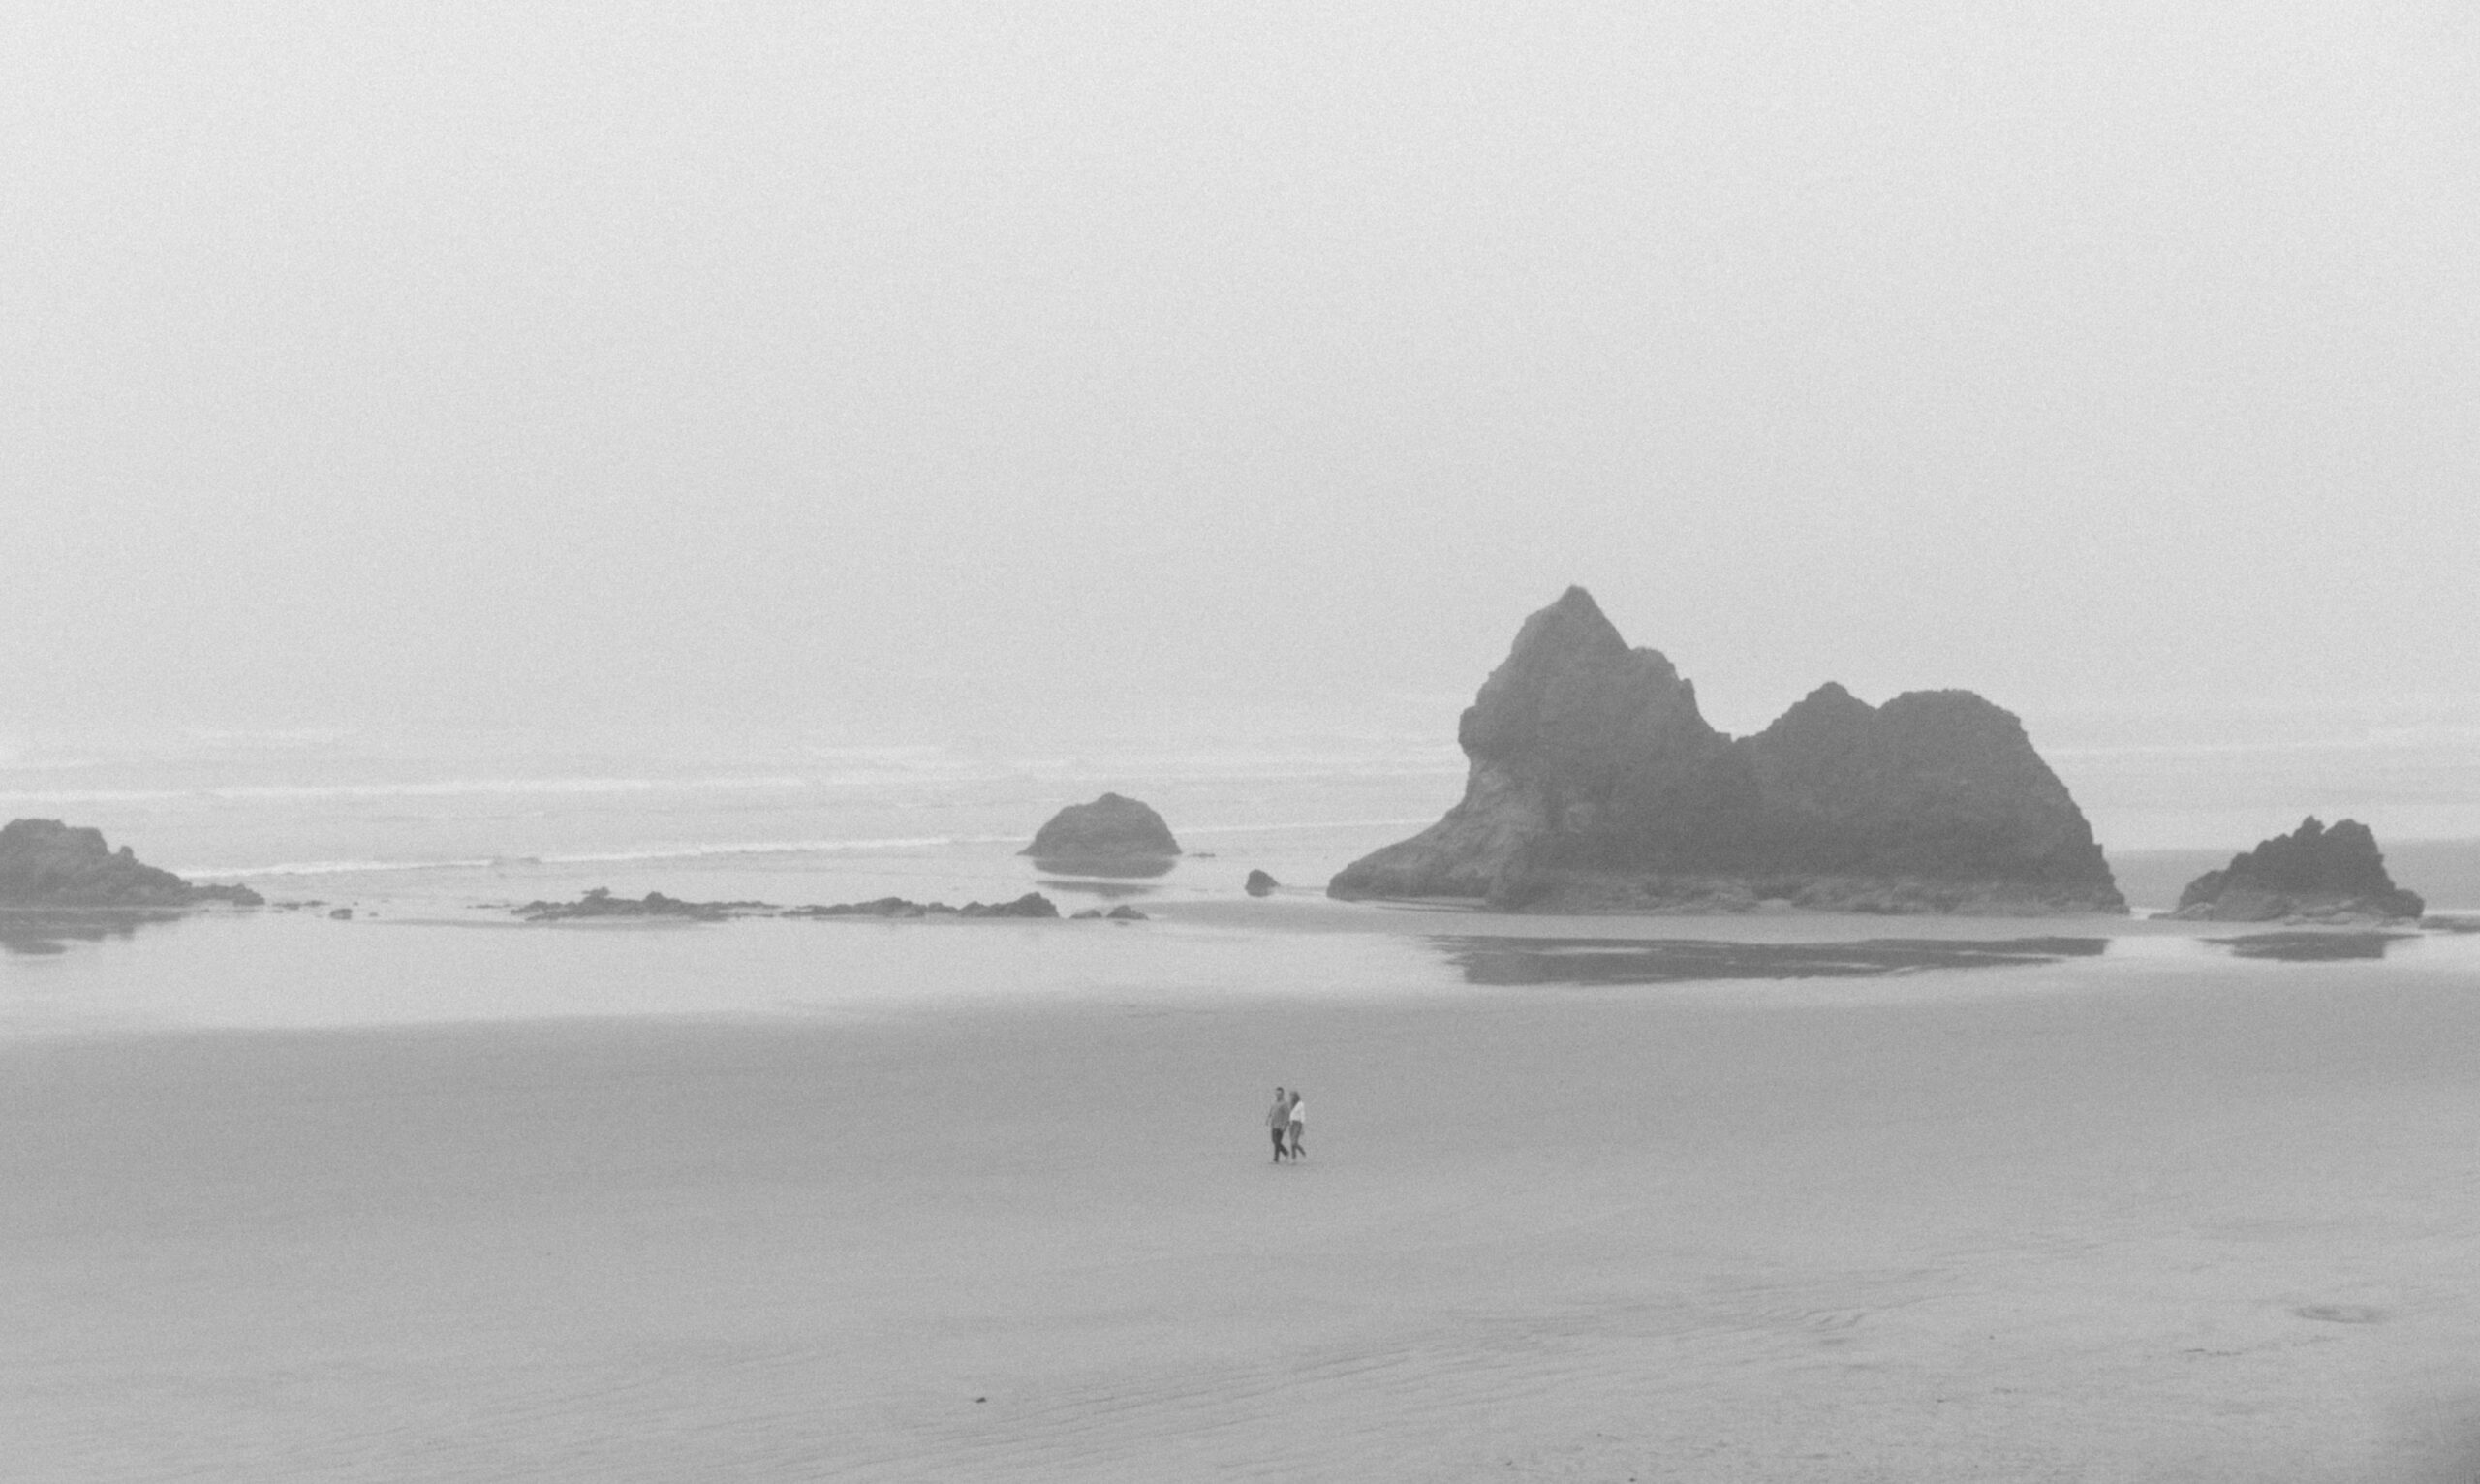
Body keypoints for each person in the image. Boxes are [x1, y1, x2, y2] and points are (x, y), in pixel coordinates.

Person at [1267, 1087, 1290, 1162]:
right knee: (1274, 1141)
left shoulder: (1284, 1104)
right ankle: (1286, 1153)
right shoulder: (1274, 1102)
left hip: (1280, 1126)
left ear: (1282, 1094)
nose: (1277, 1095)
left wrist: (1284, 1125)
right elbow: (1271, 1111)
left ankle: (1276, 1159)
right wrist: (1268, 1119)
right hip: (1273, 1124)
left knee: (1277, 1142)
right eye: (1276, 1093)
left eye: (1279, 1094)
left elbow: (1287, 1115)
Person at [1286, 1089, 1306, 1160]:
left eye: (1293, 1095)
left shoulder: (1300, 1104)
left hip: (1298, 1124)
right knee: (1292, 1142)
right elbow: (1289, 1114)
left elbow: (1302, 1115)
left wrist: (1302, 1127)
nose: (1291, 1097)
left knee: (1294, 1142)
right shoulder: (1290, 1104)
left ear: (1296, 1096)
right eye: (1290, 1096)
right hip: (1291, 1124)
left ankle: (1301, 1149)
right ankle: (1294, 1158)